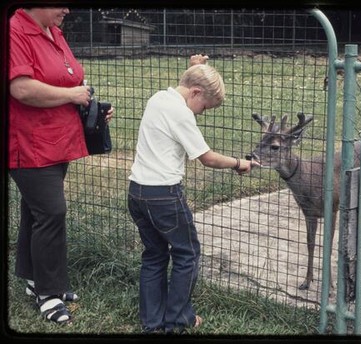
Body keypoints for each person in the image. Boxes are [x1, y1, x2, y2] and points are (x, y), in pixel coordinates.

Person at [127, 55, 259, 334]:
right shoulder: (182, 113)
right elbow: (207, 158)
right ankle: (179, 319)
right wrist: (239, 163)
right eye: (205, 106)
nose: (202, 112)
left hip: (137, 191)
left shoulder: (159, 98)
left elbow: (187, 89)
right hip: (163, 195)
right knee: (187, 253)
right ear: (196, 92)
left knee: (154, 254)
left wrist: (195, 69)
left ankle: (152, 323)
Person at [8, 7, 114, 324]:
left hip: (57, 140)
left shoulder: (54, 32)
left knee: (36, 209)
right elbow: (21, 88)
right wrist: (71, 94)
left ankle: (32, 277)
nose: (67, 9)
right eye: (60, 3)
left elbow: (69, 79)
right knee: (52, 212)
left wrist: (88, 104)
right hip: (28, 143)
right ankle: (49, 294)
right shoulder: (15, 30)